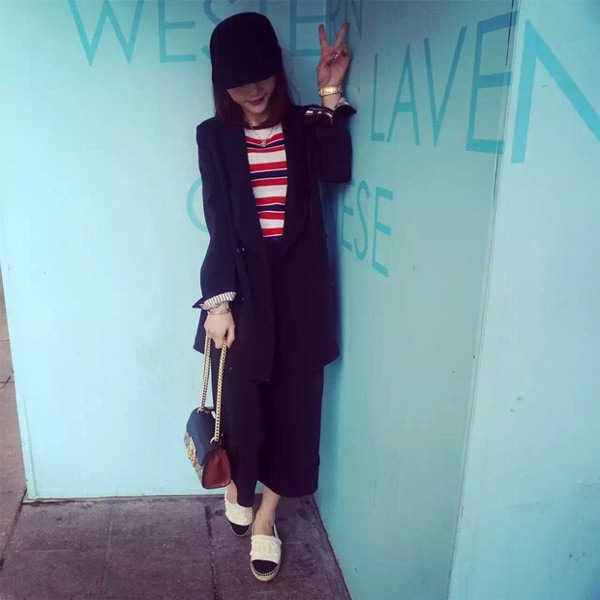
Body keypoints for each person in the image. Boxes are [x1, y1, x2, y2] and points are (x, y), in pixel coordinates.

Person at [192, 12, 354, 582]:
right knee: (240, 407)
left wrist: (330, 94)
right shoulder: (213, 136)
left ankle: (266, 518)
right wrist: (217, 304)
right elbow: (219, 220)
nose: (254, 92)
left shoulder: (306, 124)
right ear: (223, 86)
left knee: (296, 412)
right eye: (239, 84)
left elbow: (337, 170)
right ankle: (238, 484)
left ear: (278, 73)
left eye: (262, 78)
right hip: (242, 294)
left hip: (300, 297)